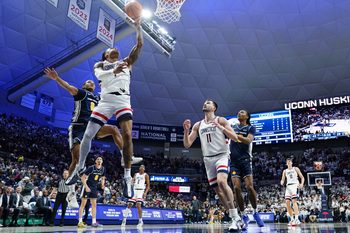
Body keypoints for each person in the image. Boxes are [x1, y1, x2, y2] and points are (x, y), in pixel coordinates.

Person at [66, 21, 143, 199]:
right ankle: (81, 167)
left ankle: (126, 176)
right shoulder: (100, 65)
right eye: (109, 50)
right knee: (87, 135)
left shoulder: (127, 62)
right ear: (106, 55)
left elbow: (139, 45)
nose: (113, 49)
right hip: (106, 100)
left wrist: (138, 28)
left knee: (127, 134)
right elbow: (100, 75)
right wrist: (114, 71)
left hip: (123, 99)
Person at [183, 99, 241, 231]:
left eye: (209, 102)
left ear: (214, 108)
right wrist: (186, 131)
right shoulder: (198, 125)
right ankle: (234, 217)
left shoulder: (221, 120)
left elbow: (235, 137)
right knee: (218, 192)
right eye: (204, 102)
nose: (205, 103)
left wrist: (221, 128)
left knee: (222, 182)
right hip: (208, 159)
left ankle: (235, 217)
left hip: (222, 155)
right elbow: (187, 144)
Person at [229, 110, 264, 230]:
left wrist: (234, 136)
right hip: (233, 162)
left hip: (245, 161)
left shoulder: (251, 128)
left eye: (242, 112)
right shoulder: (232, 126)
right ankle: (243, 215)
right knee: (237, 188)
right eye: (238, 112)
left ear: (247, 116)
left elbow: (248, 140)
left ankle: (255, 211)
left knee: (249, 187)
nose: (239, 113)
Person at [77, 157, 105, 228]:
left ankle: (94, 222)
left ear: (102, 161)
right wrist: (86, 187)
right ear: (95, 161)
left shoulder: (103, 169)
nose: (99, 160)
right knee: (83, 204)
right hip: (87, 186)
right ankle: (80, 222)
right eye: (98, 159)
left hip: (94, 188)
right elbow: (83, 178)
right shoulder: (91, 168)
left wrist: (102, 184)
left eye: (100, 159)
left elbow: (103, 178)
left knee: (94, 205)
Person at [280, 157, 305, 226]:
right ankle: (292, 219)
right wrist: (281, 182)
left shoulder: (296, 169)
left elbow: (302, 177)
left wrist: (302, 184)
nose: (289, 162)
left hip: (295, 185)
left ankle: (297, 219)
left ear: (292, 162)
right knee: (287, 202)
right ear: (286, 163)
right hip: (288, 186)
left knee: (294, 201)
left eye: (290, 161)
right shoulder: (285, 171)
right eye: (287, 162)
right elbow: (282, 179)